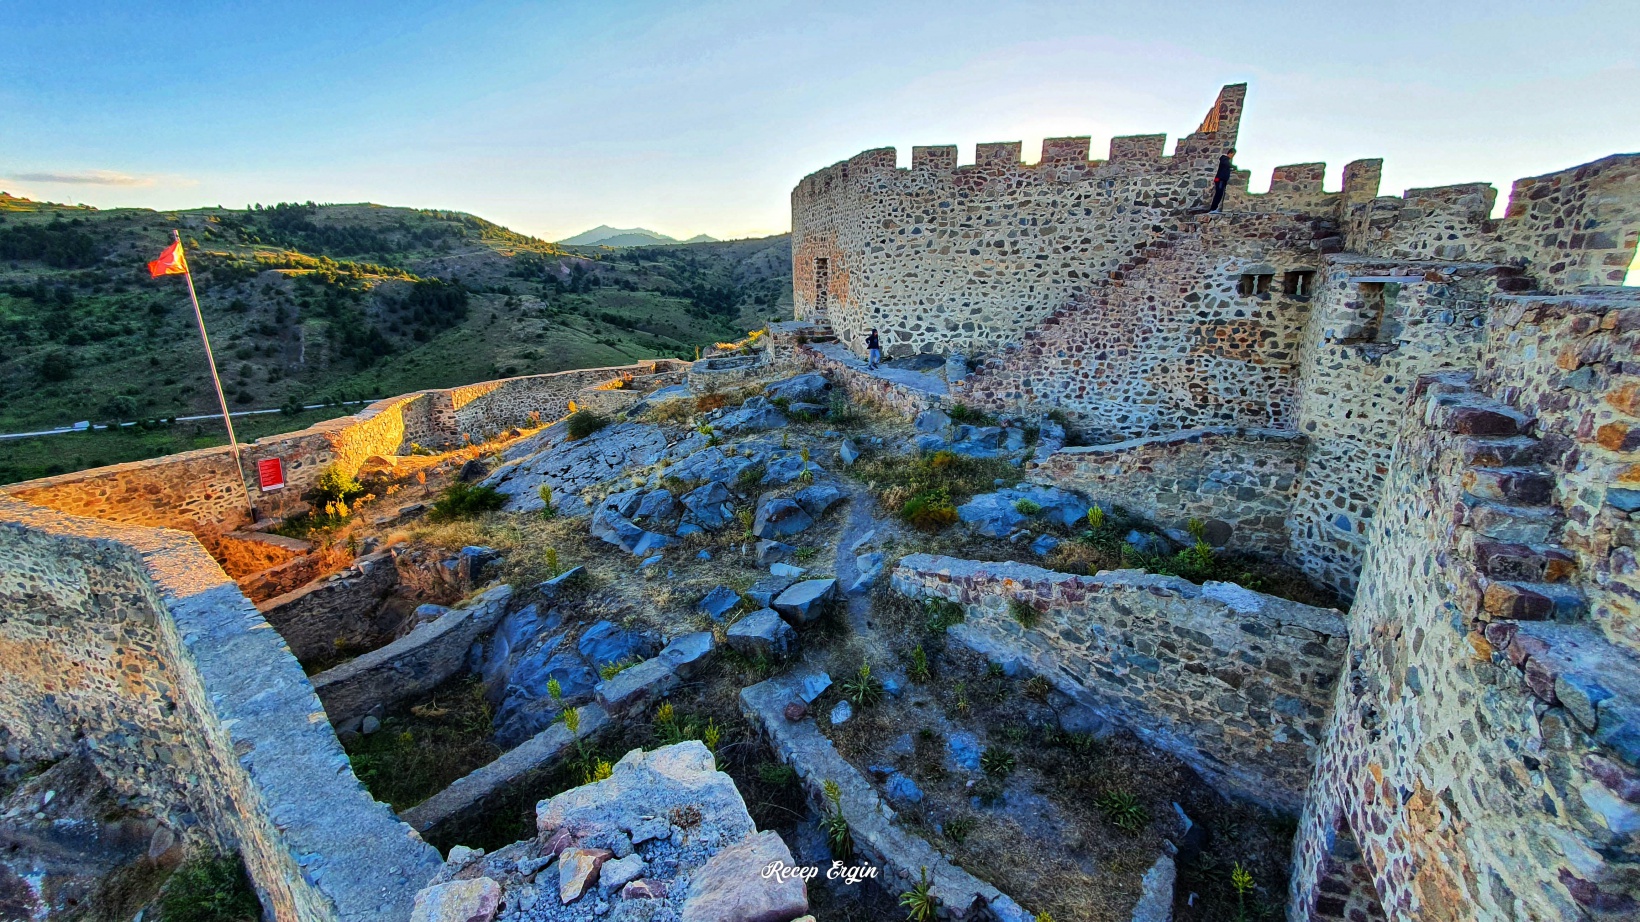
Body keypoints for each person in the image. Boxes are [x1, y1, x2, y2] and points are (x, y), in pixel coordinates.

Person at [1207, 147, 1236, 214]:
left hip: (1222, 179)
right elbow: (1227, 164)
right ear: (1230, 153)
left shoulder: (1226, 161)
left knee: (1220, 194)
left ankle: (1214, 208)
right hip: (1220, 179)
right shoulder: (1224, 158)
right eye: (1233, 154)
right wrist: (1234, 167)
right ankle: (1213, 208)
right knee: (1218, 194)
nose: (1233, 156)